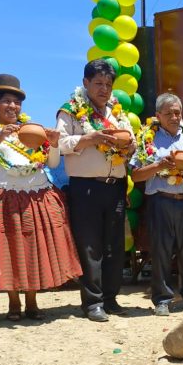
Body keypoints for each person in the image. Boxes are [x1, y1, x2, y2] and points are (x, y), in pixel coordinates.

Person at [0, 74, 81, 321]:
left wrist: (53, 144)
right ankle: (13, 302)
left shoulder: (31, 130)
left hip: (33, 195)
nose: (12, 106)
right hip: (1, 196)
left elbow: (51, 162)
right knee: (9, 250)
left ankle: (32, 302)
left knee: (33, 249)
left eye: (16, 102)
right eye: (6, 101)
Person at [56, 59, 136, 322]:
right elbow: (59, 143)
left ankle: (111, 298)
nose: (104, 89)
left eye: (108, 84)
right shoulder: (70, 111)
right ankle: (92, 303)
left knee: (114, 245)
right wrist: (88, 139)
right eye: (99, 83)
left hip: (115, 186)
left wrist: (130, 145)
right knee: (90, 246)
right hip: (86, 188)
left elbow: (132, 141)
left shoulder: (117, 113)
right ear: (85, 83)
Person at [130, 93, 183, 316]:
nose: (174, 117)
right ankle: (162, 299)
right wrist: (158, 165)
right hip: (160, 201)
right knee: (161, 252)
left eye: (177, 112)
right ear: (157, 115)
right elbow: (135, 175)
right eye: (168, 113)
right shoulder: (148, 137)